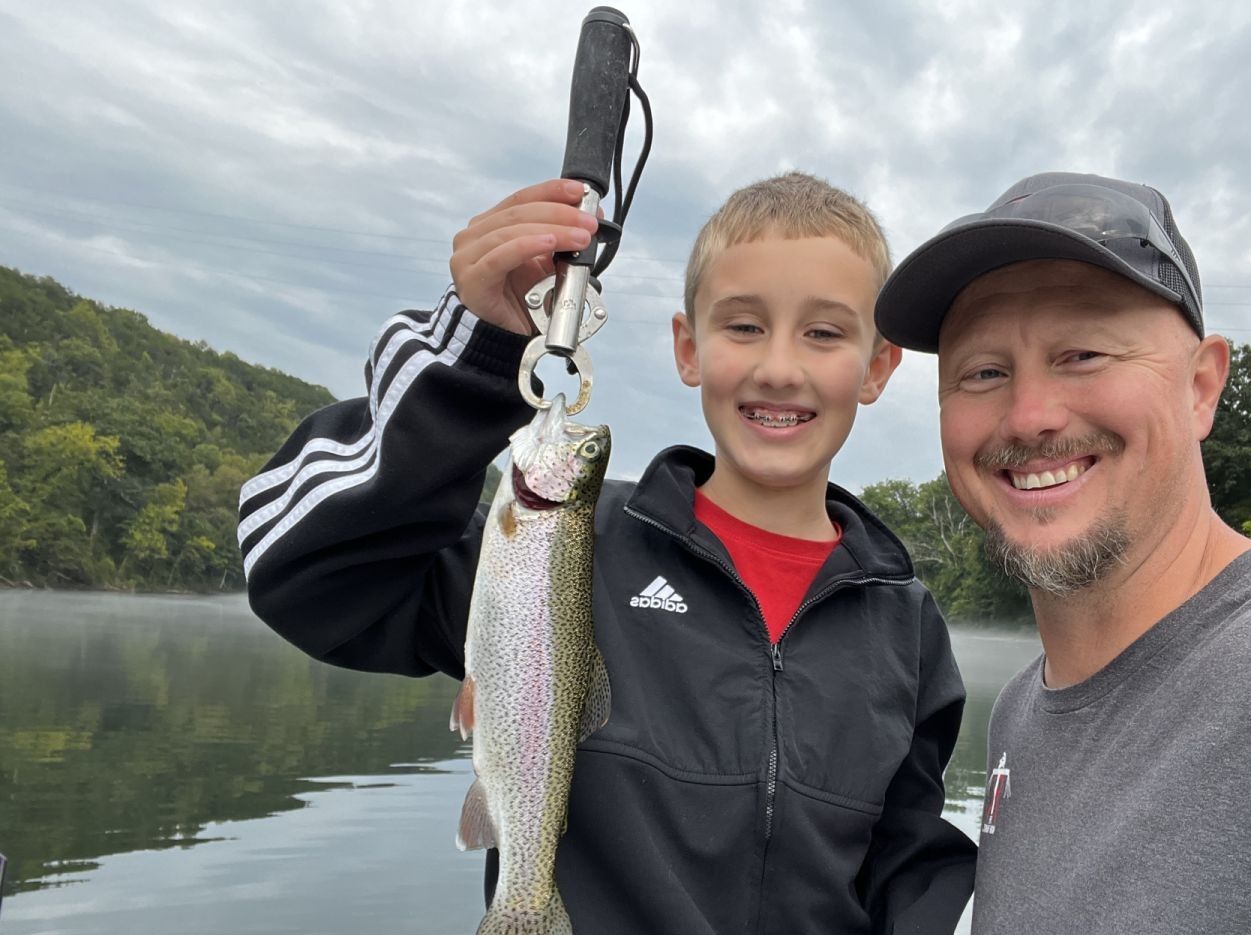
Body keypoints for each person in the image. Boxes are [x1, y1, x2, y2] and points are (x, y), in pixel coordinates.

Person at [239, 172, 976, 933]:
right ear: (688, 348)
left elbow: (905, 864)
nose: (779, 367)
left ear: (878, 367)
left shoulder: (907, 627)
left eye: (823, 332)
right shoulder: (572, 541)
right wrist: (480, 353)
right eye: (743, 326)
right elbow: (301, 573)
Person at [874, 171, 1251, 933]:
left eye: (1083, 353)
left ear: (1201, 386)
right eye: (984, 371)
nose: (1030, 414)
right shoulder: (1018, 711)